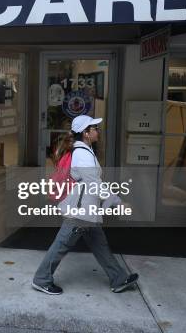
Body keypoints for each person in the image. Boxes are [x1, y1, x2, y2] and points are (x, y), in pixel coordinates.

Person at [32, 115, 138, 295]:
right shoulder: (82, 155)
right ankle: (41, 279)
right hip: (79, 212)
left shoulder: (84, 150)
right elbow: (94, 185)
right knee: (61, 245)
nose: (98, 131)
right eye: (94, 128)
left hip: (86, 210)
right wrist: (118, 202)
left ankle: (118, 278)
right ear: (86, 133)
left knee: (100, 245)